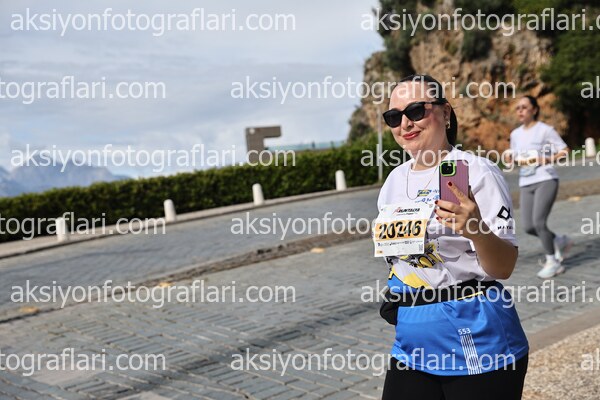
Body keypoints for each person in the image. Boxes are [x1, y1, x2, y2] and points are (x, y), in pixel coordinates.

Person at [377, 75, 528, 400]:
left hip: (477, 343)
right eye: (394, 117)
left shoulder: (477, 171)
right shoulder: (393, 181)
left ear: (445, 113)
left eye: (416, 111)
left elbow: (504, 267)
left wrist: (475, 229)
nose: (405, 124)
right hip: (412, 345)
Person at [509, 96, 571, 279]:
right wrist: (511, 158)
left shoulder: (545, 130)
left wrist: (548, 159)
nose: (520, 110)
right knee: (528, 226)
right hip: (525, 181)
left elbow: (565, 150)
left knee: (539, 223)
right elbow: (515, 156)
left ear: (534, 110)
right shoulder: (515, 134)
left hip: (546, 179)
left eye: (524, 107)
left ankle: (553, 262)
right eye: (518, 108)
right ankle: (558, 240)